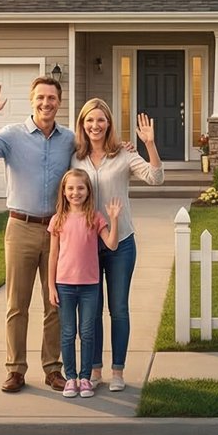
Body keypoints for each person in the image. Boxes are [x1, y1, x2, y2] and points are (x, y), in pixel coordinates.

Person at [0, 77, 74, 394]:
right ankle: (15, 369)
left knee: (55, 303)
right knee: (18, 304)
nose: (46, 103)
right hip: (21, 227)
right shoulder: (13, 135)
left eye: (52, 98)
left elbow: (94, 156)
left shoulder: (69, 139)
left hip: (58, 231)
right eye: (41, 97)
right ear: (32, 101)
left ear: (59, 101)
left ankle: (53, 369)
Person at [72, 98, 163, 392]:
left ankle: (119, 370)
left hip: (120, 243)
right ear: (82, 125)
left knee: (119, 308)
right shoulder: (75, 157)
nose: (95, 126)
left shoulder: (123, 155)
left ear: (108, 123)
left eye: (100, 120)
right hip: (87, 247)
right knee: (92, 310)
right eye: (89, 120)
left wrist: (148, 144)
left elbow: (156, 178)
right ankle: (95, 369)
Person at [47, 168, 122, 398]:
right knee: (68, 333)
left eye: (80, 188)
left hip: (90, 286)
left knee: (87, 332)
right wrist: (51, 286)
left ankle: (85, 378)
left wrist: (114, 219)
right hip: (64, 286)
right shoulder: (58, 220)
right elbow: (53, 255)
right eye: (70, 188)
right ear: (64, 191)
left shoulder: (95, 218)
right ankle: (70, 378)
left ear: (88, 191)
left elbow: (111, 244)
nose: (75, 192)